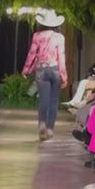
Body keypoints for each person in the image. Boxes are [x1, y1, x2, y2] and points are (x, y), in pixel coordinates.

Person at [22, 9, 67, 141]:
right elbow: (61, 57)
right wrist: (64, 76)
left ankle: (42, 123)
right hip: (54, 69)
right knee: (53, 101)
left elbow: (32, 54)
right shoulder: (59, 37)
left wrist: (26, 70)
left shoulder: (37, 36)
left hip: (41, 70)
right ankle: (50, 129)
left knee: (43, 99)